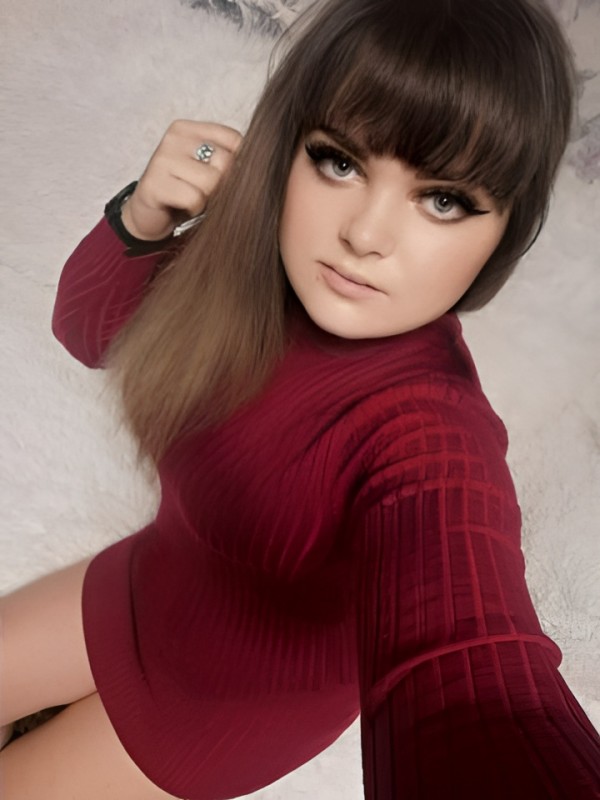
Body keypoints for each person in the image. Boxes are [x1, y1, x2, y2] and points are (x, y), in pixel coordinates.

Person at [1, 0, 599, 796]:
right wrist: (141, 219)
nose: (364, 235)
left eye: (444, 200)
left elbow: (469, 660)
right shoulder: (254, 271)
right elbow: (88, 331)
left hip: (214, 712)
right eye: (340, 161)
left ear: (506, 232)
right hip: (143, 584)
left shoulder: (428, 434)